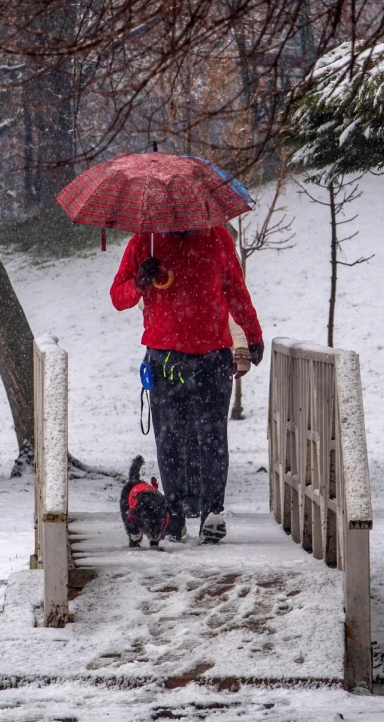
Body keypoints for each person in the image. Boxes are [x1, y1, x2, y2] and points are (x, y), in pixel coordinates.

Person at [111, 227, 264, 544]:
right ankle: (175, 513)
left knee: (212, 438)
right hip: (165, 361)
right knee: (170, 439)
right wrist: (140, 282)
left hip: (212, 358)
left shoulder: (217, 236)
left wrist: (253, 334)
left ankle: (212, 512)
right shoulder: (145, 241)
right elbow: (118, 296)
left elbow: (235, 290)